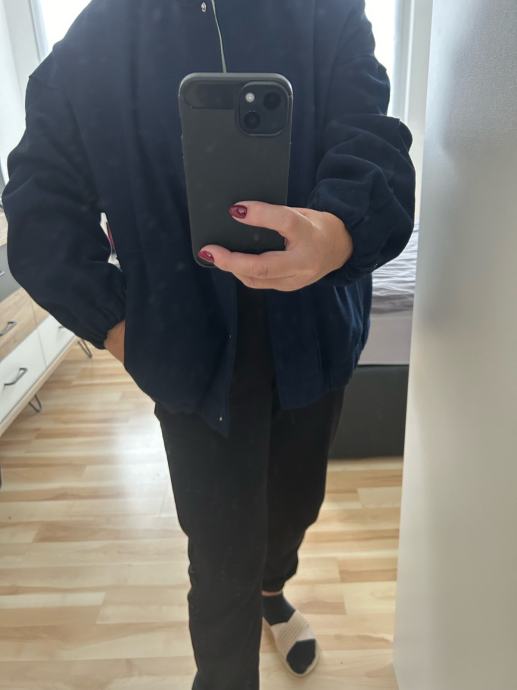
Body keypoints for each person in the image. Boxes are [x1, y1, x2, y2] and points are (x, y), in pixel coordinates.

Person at [2, 1, 416, 688]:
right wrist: (119, 330)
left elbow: (371, 137)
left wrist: (338, 232)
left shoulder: (325, 12)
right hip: (188, 355)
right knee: (219, 551)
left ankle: (272, 591)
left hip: (314, 333)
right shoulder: (96, 42)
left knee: (295, 507)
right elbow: (40, 208)